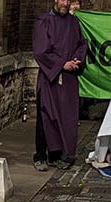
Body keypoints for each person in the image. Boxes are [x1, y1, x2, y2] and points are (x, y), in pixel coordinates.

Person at [32, 0, 88, 171]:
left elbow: (82, 44)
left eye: (68, 0)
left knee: (65, 118)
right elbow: (41, 51)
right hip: (51, 78)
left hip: (69, 79)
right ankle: (40, 156)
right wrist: (62, 64)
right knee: (46, 117)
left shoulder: (73, 22)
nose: (65, 3)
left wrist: (77, 60)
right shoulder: (43, 22)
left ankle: (56, 155)